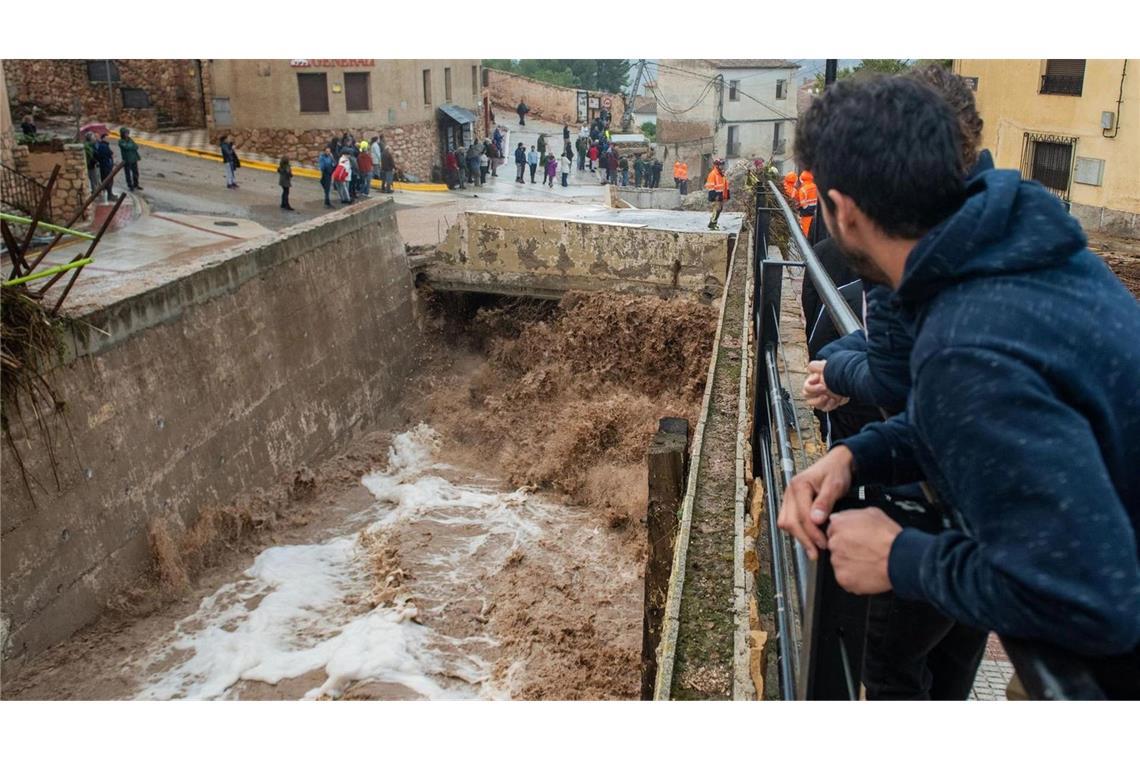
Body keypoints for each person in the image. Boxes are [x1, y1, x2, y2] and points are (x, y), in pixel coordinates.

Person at [778, 75, 1140, 695]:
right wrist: (855, 452)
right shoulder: (1019, 251)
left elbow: (1094, 602)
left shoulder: (965, 344)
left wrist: (900, 558)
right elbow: (983, 421)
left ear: (842, 212)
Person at [705, 157, 727, 229]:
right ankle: (712, 224)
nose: (723, 166)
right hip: (715, 195)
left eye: (723, 164)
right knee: (717, 209)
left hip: (720, 194)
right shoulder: (713, 174)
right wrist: (715, 196)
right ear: (717, 165)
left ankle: (713, 222)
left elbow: (723, 185)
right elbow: (710, 186)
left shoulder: (720, 174)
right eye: (721, 165)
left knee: (719, 209)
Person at [797, 169, 818, 236]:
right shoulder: (816, 187)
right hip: (815, 214)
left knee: (806, 232)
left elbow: (804, 206)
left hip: (806, 215)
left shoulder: (803, 190)